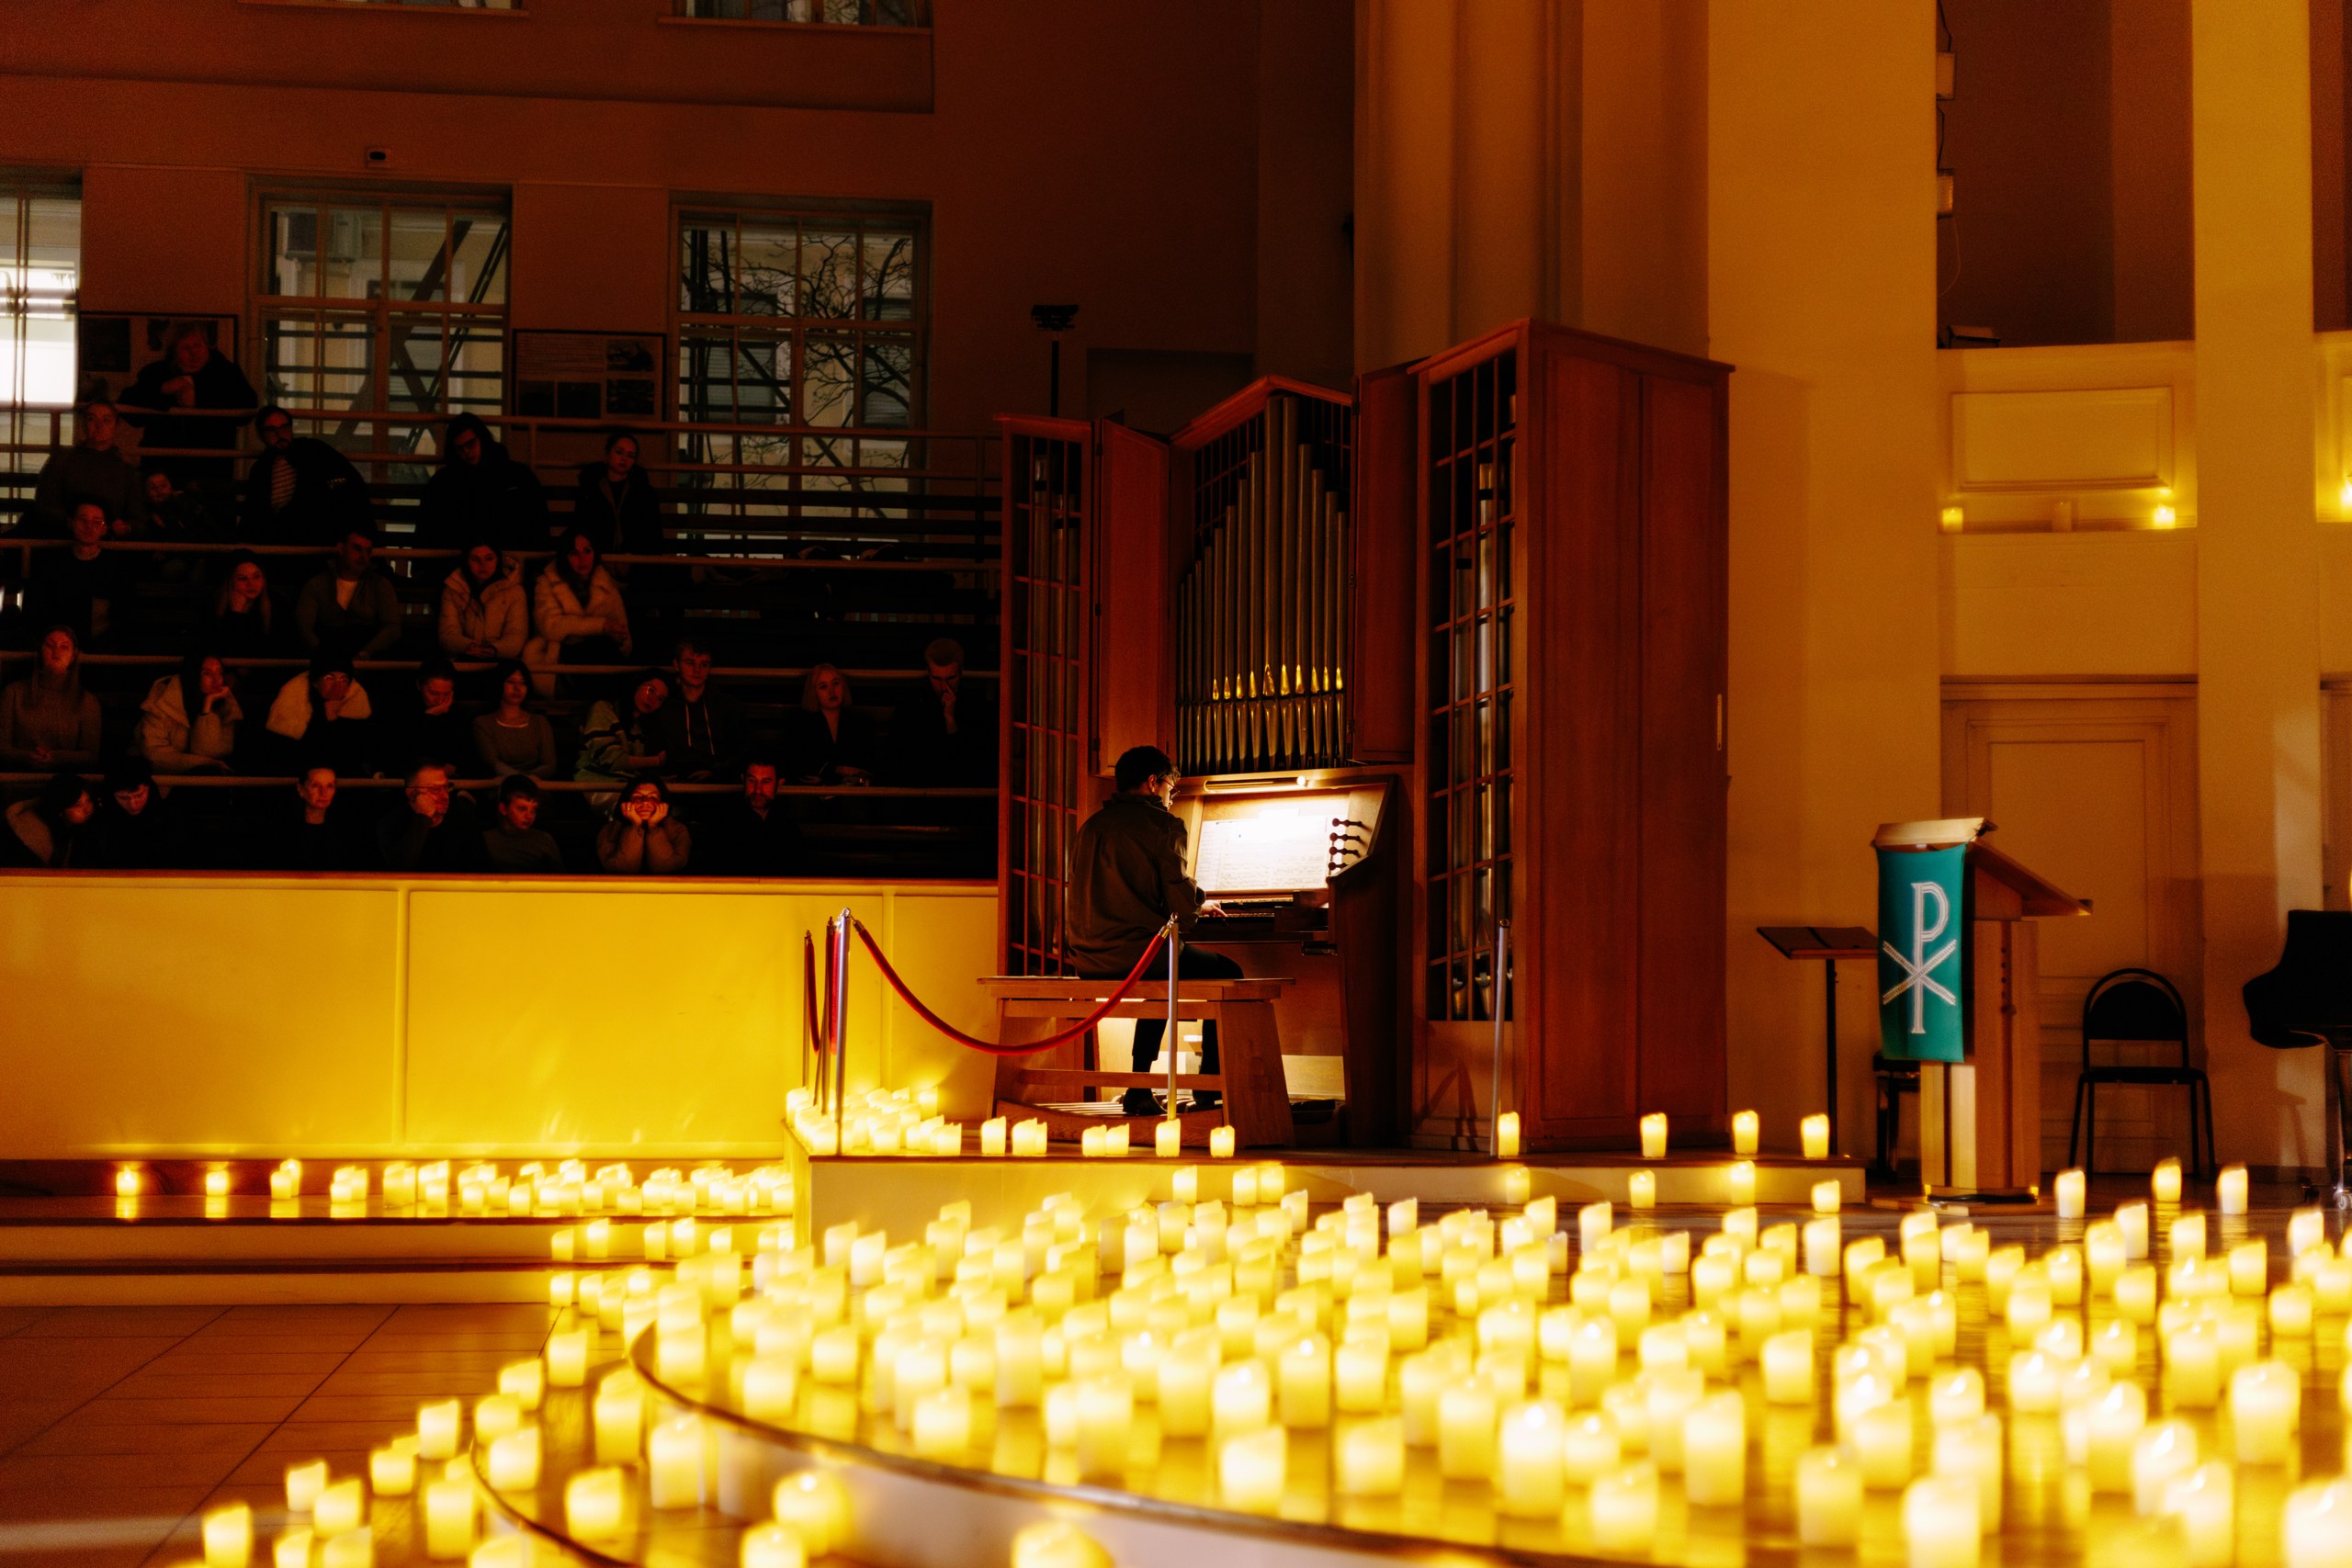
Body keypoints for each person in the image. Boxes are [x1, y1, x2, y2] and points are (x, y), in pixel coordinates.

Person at [1068, 745, 1240, 1116]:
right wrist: (1197, 904)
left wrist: (1192, 905)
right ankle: (1210, 1087)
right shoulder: (1163, 825)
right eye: (1171, 788)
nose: (1171, 797)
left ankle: (1140, 1086)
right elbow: (1181, 907)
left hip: (1087, 956)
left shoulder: (1091, 826)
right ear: (1152, 782)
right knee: (1229, 973)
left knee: (1162, 977)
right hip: (1137, 956)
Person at [116, 321, 257, 490]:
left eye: (197, 345)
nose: (194, 353)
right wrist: (163, 389)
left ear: (206, 345)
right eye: (185, 348)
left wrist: (199, 399)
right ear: (174, 351)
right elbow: (128, 409)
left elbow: (247, 408)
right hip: (164, 468)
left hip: (212, 468)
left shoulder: (226, 372)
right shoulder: (157, 373)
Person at [241, 405, 372, 546]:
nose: (280, 434)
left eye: (284, 428)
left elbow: (348, 483)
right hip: (280, 537)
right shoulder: (261, 470)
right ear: (262, 436)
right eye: (272, 430)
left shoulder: (313, 451)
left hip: (315, 533)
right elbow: (253, 513)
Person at [418, 412, 548, 554]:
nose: (467, 451)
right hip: (498, 554)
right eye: (460, 448)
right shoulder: (517, 475)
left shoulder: (518, 476)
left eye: (470, 443)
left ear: (482, 439)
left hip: (471, 556)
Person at [883, 636, 996, 787]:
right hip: (920, 788)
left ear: (961, 672)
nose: (944, 686)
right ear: (928, 672)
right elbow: (899, 762)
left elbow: (971, 765)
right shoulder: (910, 709)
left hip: (961, 790)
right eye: (936, 678)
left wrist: (950, 719)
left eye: (951, 678)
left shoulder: (977, 709)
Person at [26, 399, 146, 537]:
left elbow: (138, 519)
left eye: (106, 420)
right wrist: (73, 523)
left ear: (116, 426)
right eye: (91, 419)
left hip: (108, 539)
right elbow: (45, 505)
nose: (99, 425)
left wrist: (125, 527)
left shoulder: (125, 470)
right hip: (64, 536)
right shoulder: (62, 461)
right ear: (83, 424)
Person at [526, 528, 630, 685]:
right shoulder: (547, 582)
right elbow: (551, 626)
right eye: (574, 553)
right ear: (565, 556)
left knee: (603, 649)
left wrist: (617, 637)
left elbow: (623, 632)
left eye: (587, 551)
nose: (582, 559)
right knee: (597, 649)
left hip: (602, 655)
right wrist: (601, 626)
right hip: (560, 656)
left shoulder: (605, 585)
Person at [23, 499, 130, 648]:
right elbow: (36, 610)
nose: (89, 527)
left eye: (97, 522)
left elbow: (123, 616)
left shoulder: (116, 568)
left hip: (101, 648)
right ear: (71, 522)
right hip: (56, 646)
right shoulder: (50, 564)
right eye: (83, 520)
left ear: (104, 528)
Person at [0, 626, 102, 771]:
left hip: (66, 779)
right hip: (18, 777)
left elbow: (90, 755)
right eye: (49, 645)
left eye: (64, 647)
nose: (56, 652)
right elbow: (2, 747)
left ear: (73, 656)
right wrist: (27, 757)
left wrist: (56, 757)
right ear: (40, 651)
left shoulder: (87, 701)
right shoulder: (13, 693)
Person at [295, 525, 403, 660]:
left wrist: (366, 652)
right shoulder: (317, 584)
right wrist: (323, 657)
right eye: (357, 549)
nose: (363, 557)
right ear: (341, 548)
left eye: (368, 551)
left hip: (367, 658)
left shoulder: (380, 584)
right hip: (326, 655)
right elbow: (303, 627)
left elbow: (392, 628)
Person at [646, 637, 747, 782]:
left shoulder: (727, 705)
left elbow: (743, 748)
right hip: (676, 782)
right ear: (676, 665)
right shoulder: (665, 707)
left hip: (721, 781)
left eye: (704, 664)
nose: (697, 670)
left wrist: (716, 771)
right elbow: (654, 748)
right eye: (690, 663)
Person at [266, 650, 374, 777]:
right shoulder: (293, 702)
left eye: (343, 679)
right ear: (315, 682)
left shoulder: (355, 703)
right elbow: (291, 757)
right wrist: (325, 720)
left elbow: (353, 756)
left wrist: (333, 721)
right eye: (329, 678)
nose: (337, 686)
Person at [576, 668, 671, 811]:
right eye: (651, 690)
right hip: (596, 784)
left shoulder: (642, 727)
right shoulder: (603, 709)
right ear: (637, 685)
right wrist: (656, 760)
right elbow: (612, 760)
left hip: (628, 787)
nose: (653, 700)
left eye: (660, 699)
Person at [134, 649, 241, 773]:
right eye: (207, 674)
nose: (216, 680)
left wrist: (207, 708)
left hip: (200, 777)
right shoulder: (163, 701)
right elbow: (155, 755)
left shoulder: (225, 706)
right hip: (155, 775)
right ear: (193, 675)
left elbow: (209, 754)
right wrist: (205, 763)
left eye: (220, 673)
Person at [695, 754, 801, 877]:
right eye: (752, 781)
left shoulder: (787, 826)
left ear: (779, 784)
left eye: (766, 782)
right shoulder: (724, 824)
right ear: (743, 779)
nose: (758, 790)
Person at [376, 759, 487, 873]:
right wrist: (423, 817)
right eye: (435, 790)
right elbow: (400, 868)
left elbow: (481, 868)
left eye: (446, 787)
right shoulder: (392, 823)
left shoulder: (462, 817)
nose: (445, 796)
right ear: (412, 794)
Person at [571, 431, 664, 558]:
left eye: (630, 456)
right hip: (596, 556)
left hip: (634, 558)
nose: (624, 459)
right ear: (608, 453)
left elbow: (652, 532)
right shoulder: (591, 487)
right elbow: (581, 524)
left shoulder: (643, 492)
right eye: (619, 452)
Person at [784, 662, 876, 785]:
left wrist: (829, 774)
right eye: (823, 687)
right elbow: (799, 764)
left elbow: (863, 769)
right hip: (812, 789)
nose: (832, 691)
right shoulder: (799, 723)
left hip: (850, 788)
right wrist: (838, 770)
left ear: (843, 686)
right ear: (813, 692)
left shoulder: (860, 723)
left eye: (836, 683)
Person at [378, 658, 469, 779]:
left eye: (446, 694)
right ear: (419, 686)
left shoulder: (457, 714)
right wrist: (429, 717)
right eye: (434, 693)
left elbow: (459, 756)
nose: (440, 700)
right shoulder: (400, 711)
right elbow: (402, 754)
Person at [436, 538, 526, 660]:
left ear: (498, 560)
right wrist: (468, 647)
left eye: (489, 559)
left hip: (502, 660)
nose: (483, 565)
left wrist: (495, 649)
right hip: (463, 658)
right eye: (475, 559)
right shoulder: (453, 590)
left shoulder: (514, 591)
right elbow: (448, 632)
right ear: (467, 562)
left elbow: (516, 633)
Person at [85, 755, 177, 870]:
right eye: (123, 798)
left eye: (139, 795)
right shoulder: (99, 824)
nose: (133, 804)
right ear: (112, 795)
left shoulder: (169, 820)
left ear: (149, 788)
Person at [472, 659, 559, 780]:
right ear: (499, 683)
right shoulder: (483, 724)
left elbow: (549, 764)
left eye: (523, 683)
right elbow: (493, 763)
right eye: (511, 682)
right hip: (501, 784)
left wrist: (530, 779)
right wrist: (520, 780)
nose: (517, 688)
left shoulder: (539, 722)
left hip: (535, 784)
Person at [273, 766, 366, 873]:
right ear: (301, 789)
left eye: (330, 786)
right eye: (315, 786)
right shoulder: (283, 832)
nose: (324, 792)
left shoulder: (345, 832)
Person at [596, 773, 690, 875]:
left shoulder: (677, 830)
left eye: (653, 798)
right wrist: (635, 826)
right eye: (638, 797)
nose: (645, 802)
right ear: (627, 801)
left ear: (663, 803)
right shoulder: (610, 830)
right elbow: (623, 868)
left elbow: (667, 868)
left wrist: (653, 828)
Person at [0, 770, 96, 868]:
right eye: (77, 805)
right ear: (60, 810)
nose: (87, 809)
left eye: (88, 800)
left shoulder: (84, 825)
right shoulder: (31, 837)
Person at [206, 551, 289, 659]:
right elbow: (220, 648)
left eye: (256, 577)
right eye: (242, 579)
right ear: (230, 581)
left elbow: (280, 648)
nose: (251, 584)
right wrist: (236, 614)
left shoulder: (277, 603)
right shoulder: (214, 603)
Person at [482, 773, 565, 874]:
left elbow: (561, 878)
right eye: (522, 808)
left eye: (534, 810)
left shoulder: (544, 841)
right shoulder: (485, 841)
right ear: (503, 809)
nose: (529, 816)